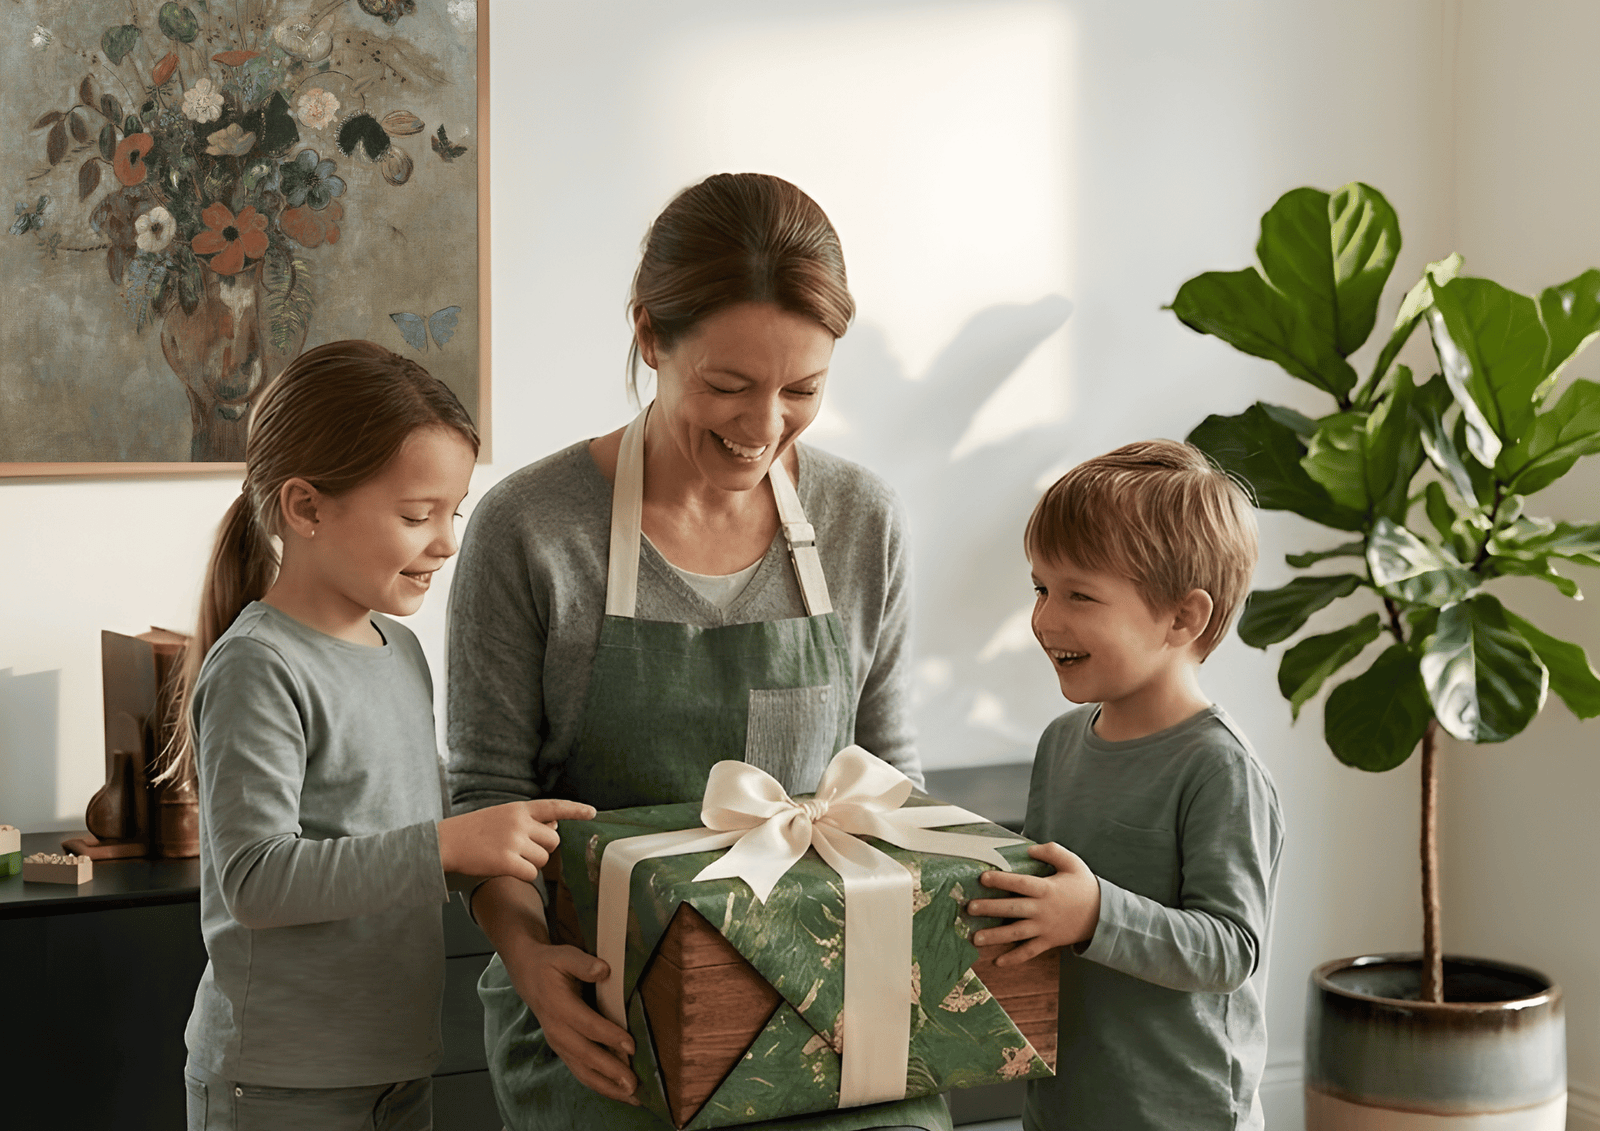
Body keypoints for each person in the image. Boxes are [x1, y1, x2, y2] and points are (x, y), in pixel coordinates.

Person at [447, 173, 946, 1130]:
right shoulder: (533, 528)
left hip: (834, 1006)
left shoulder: (860, 519)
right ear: (649, 334)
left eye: (802, 390)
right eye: (728, 384)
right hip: (610, 1021)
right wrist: (531, 967)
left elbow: (889, 771)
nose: (763, 426)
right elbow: (486, 801)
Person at [173, 341, 594, 1131]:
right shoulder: (258, 667)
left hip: (395, 1070)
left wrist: (505, 850)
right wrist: (450, 844)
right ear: (305, 508)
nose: (448, 541)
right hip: (278, 1086)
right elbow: (257, 879)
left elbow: (410, 825)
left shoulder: (399, 651)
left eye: (453, 511)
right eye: (415, 515)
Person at [966, 440, 1284, 1131]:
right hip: (1066, 1099)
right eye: (1041, 587)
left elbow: (1233, 946)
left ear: (1182, 618)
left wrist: (1093, 915)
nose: (1046, 619)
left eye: (1080, 594)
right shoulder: (1060, 744)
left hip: (1180, 1111)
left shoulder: (1218, 768)